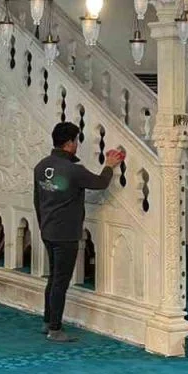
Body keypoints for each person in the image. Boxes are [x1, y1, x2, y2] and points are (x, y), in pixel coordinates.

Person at [32, 122, 124, 343]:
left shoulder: (41, 166)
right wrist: (109, 165)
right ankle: (55, 329)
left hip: (48, 230)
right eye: (76, 141)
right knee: (60, 282)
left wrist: (43, 225)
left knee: (54, 278)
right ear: (69, 143)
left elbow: (37, 200)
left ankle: (48, 321)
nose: (77, 145)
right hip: (66, 233)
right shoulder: (73, 170)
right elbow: (100, 183)